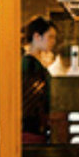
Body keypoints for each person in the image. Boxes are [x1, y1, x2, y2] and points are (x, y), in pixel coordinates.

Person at [22, 15, 57, 144]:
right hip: (31, 131)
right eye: (50, 37)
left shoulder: (34, 64)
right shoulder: (30, 65)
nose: (53, 41)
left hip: (33, 129)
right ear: (37, 36)